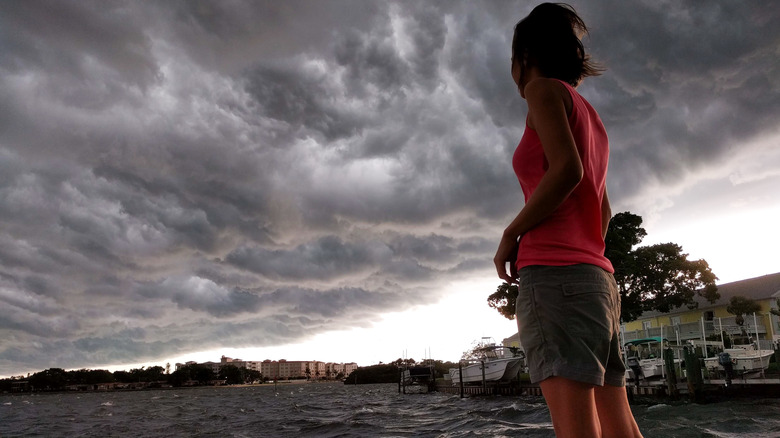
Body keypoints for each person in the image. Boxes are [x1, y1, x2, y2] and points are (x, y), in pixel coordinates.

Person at [493, 4, 643, 438]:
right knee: (620, 424)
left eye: (513, 59)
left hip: (556, 278)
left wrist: (511, 234)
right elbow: (603, 209)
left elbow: (566, 171)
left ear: (525, 57)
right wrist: (585, 254)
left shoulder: (541, 90)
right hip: (598, 282)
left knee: (576, 428)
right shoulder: (590, 114)